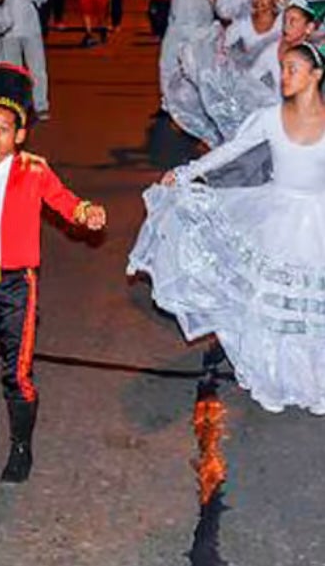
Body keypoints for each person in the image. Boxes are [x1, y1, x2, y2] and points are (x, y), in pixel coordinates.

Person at [129, 42, 325, 414]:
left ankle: (315, 380)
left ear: (316, 75)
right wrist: (186, 173)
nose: (284, 76)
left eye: (293, 69)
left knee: (311, 308)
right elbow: (228, 151)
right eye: (283, 68)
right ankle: (276, 376)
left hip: (317, 221)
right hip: (277, 216)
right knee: (269, 301)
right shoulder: (270, 117)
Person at [0, 65, 106, 483]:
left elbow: (62, 199)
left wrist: (84, 211)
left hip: (17, 287)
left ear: (19, 135)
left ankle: (20, 447)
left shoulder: (33, 171)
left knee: (16, 375)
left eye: (3, 130)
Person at [153, 0, 221, 114]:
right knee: (166, 64)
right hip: (176, 23)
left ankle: (200, 105)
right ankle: (167, 103)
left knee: (197, 68)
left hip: (199, 27)